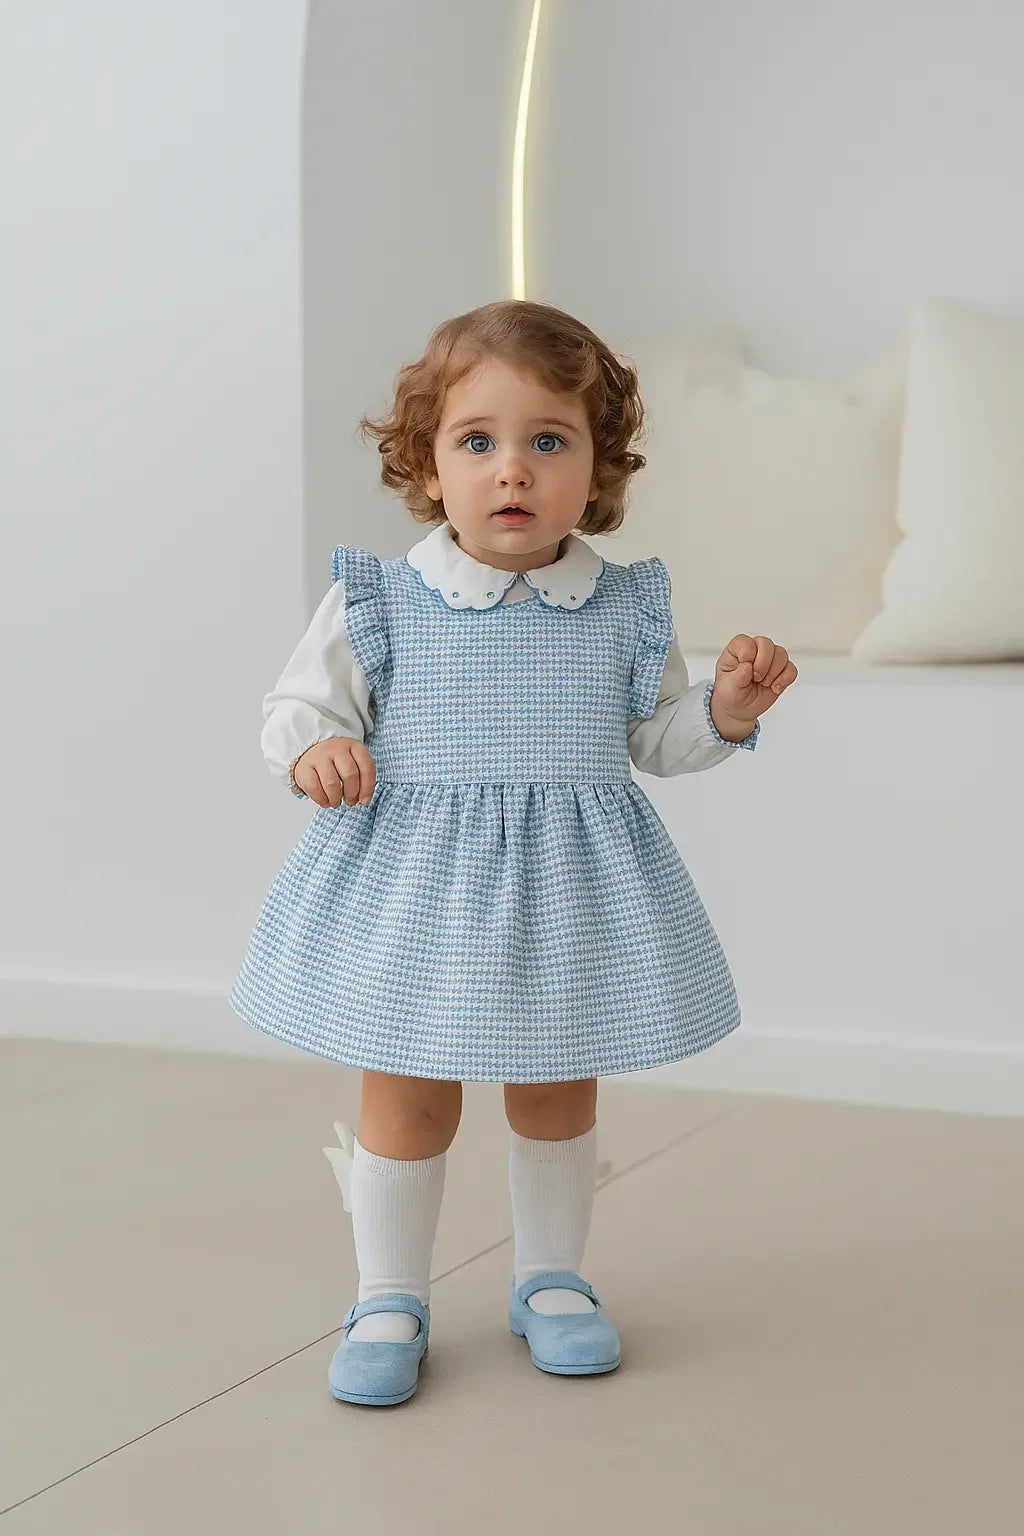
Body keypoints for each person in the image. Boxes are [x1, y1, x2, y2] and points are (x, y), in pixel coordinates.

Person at [229, 299, 798, 1407]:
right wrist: (319, 753)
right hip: (412, 893)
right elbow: (294, 707)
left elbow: (655, 743)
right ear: (429, 466)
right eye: (476, 440)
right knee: (408, 1096)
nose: (513, 470)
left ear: (598, 467)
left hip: (566, 898)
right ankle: (388, 1291)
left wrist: (723, 710)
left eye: (549, 440)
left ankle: (551, 1279)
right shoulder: (383, 598)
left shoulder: (623, 608)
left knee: (553, 1093)